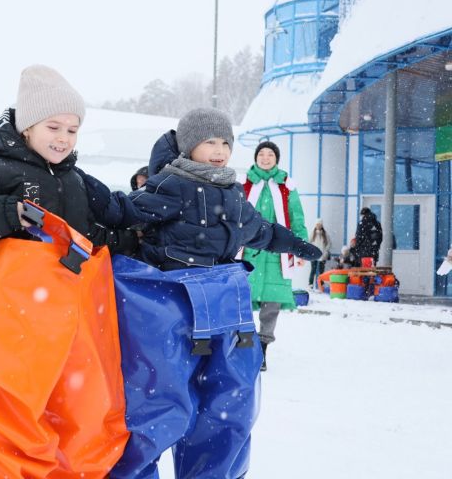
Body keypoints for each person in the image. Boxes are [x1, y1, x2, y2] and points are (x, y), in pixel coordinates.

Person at [87, 108, 321, 479]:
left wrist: (297, 245)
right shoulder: (173, 184)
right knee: (158, 405)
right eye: (209, 141)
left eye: (225, 142)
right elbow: (126, 212)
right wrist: (87, 192)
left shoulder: (230, 193)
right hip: (170, 307)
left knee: (226, 406)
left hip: (221, 308)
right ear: (189, 146)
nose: (219, 150)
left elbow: (261, 230)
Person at [0, 64, 137, 478]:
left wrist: (135, 243)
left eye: (72, 130)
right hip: (16, 323)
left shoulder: (78, 181)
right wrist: (7, 212)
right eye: (53, 127)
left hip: (72, 324)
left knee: (77, 415)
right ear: (27, 127)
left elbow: (97, 234)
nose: (63, 139)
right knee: (14, 414)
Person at [241, 140, 308, 372]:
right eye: (262, 154)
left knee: (272, 303)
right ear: (256, 158)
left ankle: (262, 350)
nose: (266, 158)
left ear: (276, 159)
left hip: (277, 253)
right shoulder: (245, 184)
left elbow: (296, 217)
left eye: (270, 154)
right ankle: (244, 345)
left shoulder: (287, 186)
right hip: (249, 252)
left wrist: (300, 246)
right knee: (242, 300)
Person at [308, 218, 331, 288]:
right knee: (313, 270)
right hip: (313, 254)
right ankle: (310, 284)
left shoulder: (325, 234)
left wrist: (325, 252)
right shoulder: (312, 233)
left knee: (321, 271)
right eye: (317, 224)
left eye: (320, 224)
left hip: (322, 255)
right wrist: (311, 251)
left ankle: (321, 285)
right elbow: (309, 243)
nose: (318, 226)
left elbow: (329, 243)